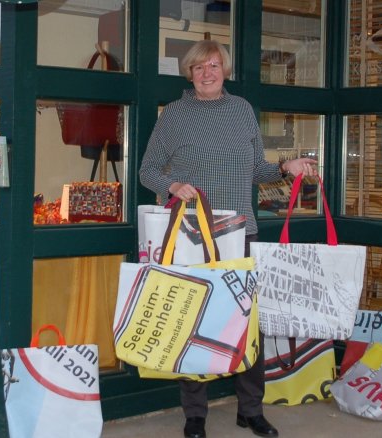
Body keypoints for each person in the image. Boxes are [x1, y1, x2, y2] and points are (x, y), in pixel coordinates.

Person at [139, 40, 318, 438]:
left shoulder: (241, 111)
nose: (207, 73)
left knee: (246, 322)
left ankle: (250, 409)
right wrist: (173, 184)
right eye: (199, 67)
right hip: (193, 234)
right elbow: (147, 170)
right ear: (189, 73)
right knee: (195, 318)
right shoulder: (175, 115)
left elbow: (257, 170)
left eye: (214, 65)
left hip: (241, 231)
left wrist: (286, 166)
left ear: (226, 70)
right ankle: (195, 414)